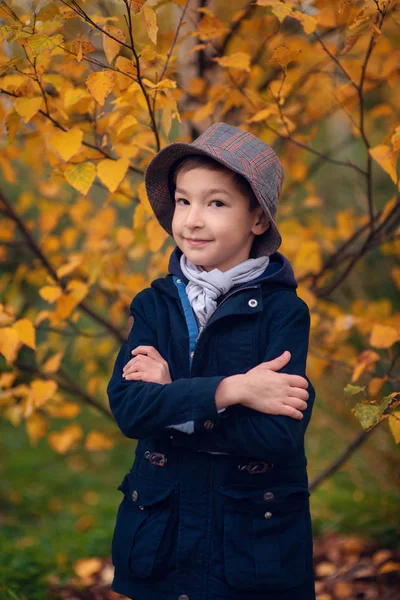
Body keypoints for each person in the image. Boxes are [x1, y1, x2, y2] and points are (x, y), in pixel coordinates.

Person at [107, 122, 316, 600]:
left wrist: (174, 402)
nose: (192, 220)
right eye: (183, 200)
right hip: (162, 539)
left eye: (215, 203)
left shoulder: (283, 313)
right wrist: (233, 391)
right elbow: (131, 410)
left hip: (249, 549)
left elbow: (278, 434)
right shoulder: (154, 304)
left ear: (257, 218)